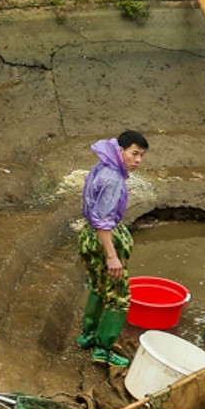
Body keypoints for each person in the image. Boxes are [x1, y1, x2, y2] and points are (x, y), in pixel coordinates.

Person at [75, 130, 148, 368]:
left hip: (88, 235)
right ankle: (103, 349)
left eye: (142, 155)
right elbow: (104, 222)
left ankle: (88, 335)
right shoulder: (113, 179)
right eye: (134, 153)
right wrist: (112, 255)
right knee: (119, 298)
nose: (138, 160)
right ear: (120, 151)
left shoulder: (103, 166)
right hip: (102, 239)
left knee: (98, 286)